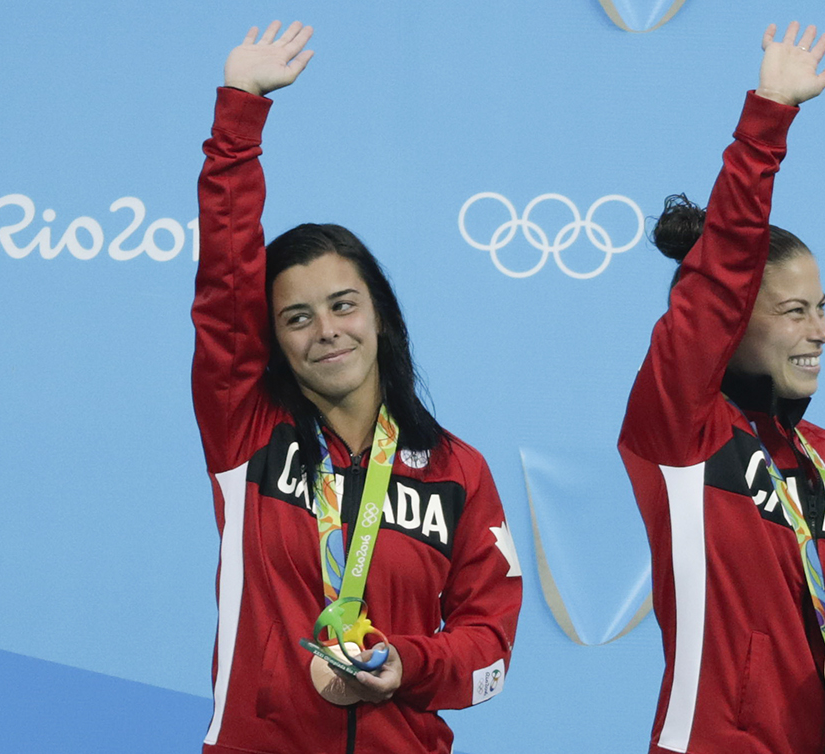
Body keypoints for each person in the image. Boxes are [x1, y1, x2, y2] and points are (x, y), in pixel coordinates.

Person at [192, 21, 522, 754]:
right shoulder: (246, 435)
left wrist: (410, 663)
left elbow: (490, 644)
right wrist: (240, 114)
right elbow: (225, 283)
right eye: (297, 318)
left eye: (344, 306)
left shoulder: (458, 471)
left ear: (380, 315)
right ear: (273, 340)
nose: (327, 331)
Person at [618, 21, 825, 754]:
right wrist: (767, 123)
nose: (820, 332)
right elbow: (716, 283)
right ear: (730, 326)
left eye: (822, 310)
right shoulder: (683, 438)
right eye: (793, 312)